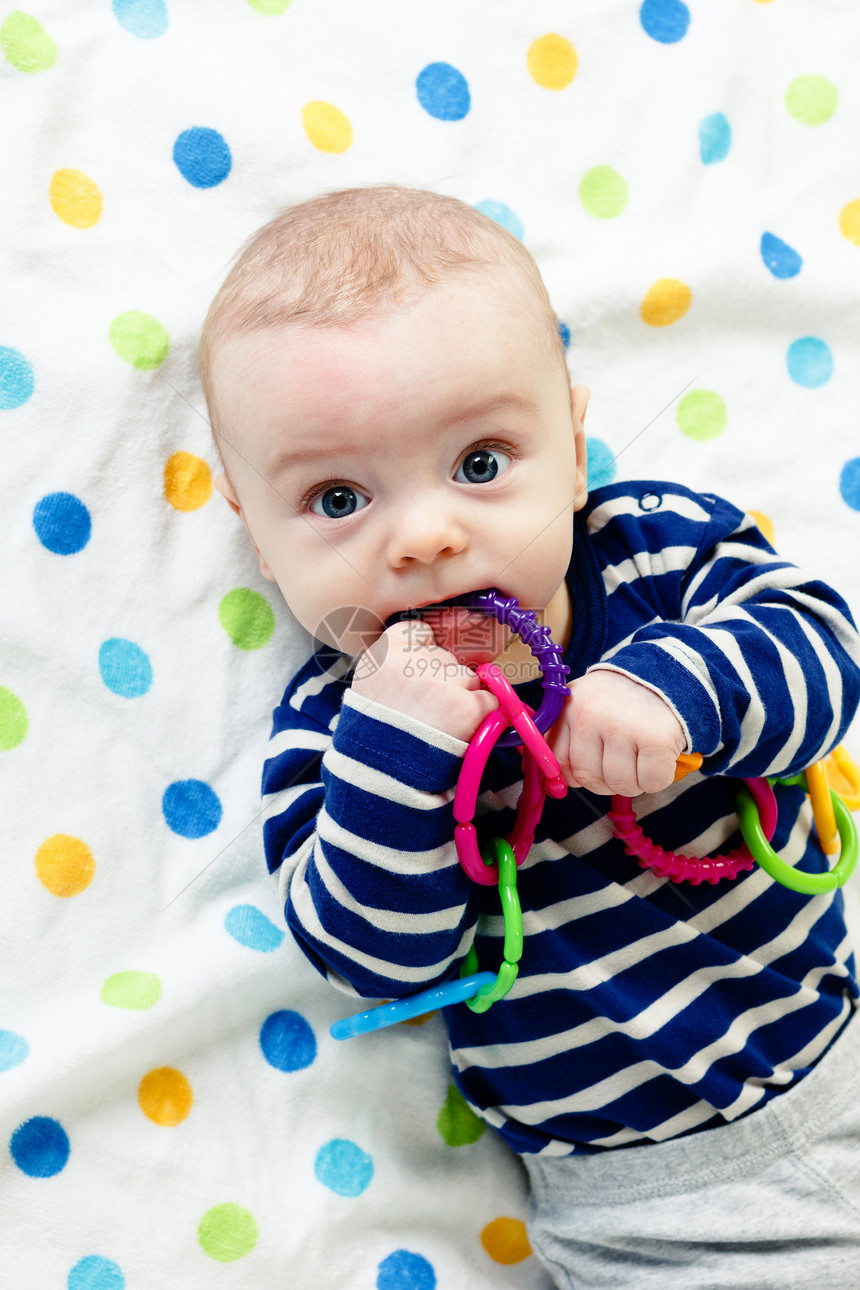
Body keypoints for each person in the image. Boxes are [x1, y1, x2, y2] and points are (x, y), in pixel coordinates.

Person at [200, 185, 860, 1287]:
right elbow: (365, 954)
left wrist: (671, 693)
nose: (423, 536)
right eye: (335, 498)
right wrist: (396, 762)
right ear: (258, 540)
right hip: (652, 1214)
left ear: (572, 443)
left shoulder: (651, 559)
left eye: (477, 464)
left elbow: (822, 652)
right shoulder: (333, 733)